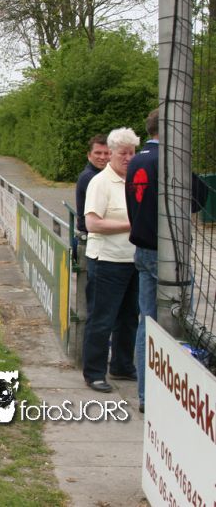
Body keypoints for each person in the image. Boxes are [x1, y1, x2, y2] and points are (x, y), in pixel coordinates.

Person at [125, 108, 209, 413]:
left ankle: (146, 395)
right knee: (178, 321)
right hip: (167, 253)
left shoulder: (137, 160)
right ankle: (171, 395)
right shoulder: (169, 160)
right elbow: (199, 197)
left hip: (142, 250)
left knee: (146, 322)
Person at [82, 127, 140, 393]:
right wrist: (132, 225)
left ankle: (122, 365)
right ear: (112, 153)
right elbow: (92, 223)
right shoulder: (100, 183)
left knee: (129, 317)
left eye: (132, 153)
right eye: (122, 153)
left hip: (134, 260)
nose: (128, 158)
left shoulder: (136, 180)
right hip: (107, 260)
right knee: (102, 318)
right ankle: (94, 372)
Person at [75, 135, 111, 234]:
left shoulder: (103, 175)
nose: (102, 157)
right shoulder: (90, 178)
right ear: (89, 155)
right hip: (91, 235)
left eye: (106, 153)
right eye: (98, 153)